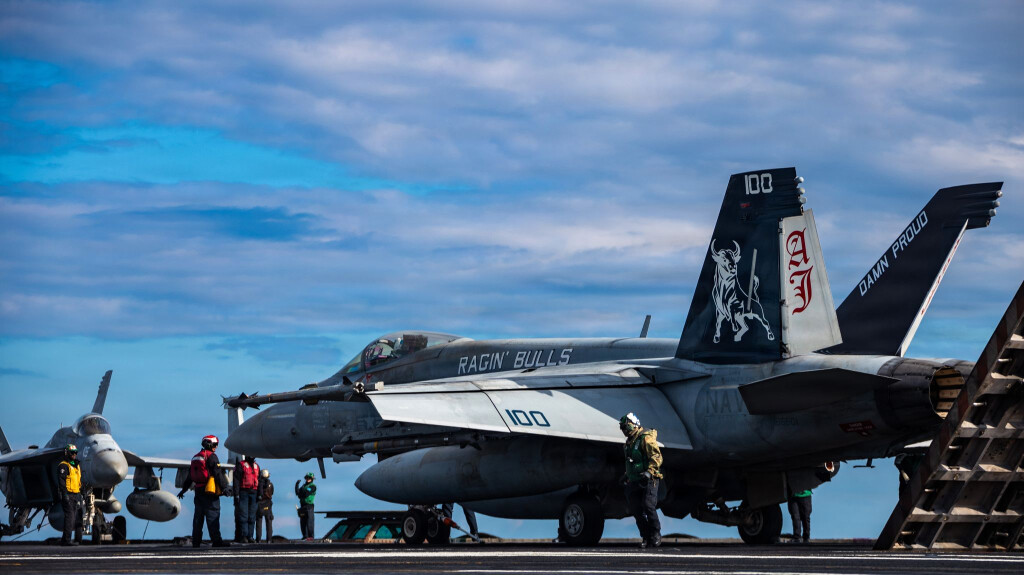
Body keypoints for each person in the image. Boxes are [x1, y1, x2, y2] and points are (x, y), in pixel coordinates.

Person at [177, 434, 232, 548]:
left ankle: (196, 542)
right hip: (209, 490)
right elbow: (217, 474)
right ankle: (216, 541)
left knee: (198, 517)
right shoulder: (211, 457)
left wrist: (183, 490)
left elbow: (190, 477)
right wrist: (224, 488)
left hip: (198, 490)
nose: (216, 447)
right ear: (210, 444)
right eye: (215, 444)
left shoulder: (195, 457)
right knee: (213, 515)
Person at [619, 412, 663, 549]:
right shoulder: (628, 444)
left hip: (650, 478)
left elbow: (656, 456)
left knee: (648, 505)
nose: (625, 430)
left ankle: (655, 534)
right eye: (623, 428)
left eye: (626, 427)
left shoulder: (645, 439)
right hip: (635, 479)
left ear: (634, 425)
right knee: (635, 509)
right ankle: (646, 536)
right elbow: (632, 462)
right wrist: (627, 475)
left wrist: (650, 472)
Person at [55, 444, 84, 546]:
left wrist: (80, 494)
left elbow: (78, 481)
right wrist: (64, 494)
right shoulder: (63, 466)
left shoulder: (76, 466)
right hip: (68, 495)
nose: (74, 454)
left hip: (76, 495)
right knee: (70, 517)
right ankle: (66, 540)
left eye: (75, 452)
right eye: (72, 452)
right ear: (67, 453)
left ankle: (65, 539)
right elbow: (61, 482)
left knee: (73, 517)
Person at [233, 455, 260, 543]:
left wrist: (260, 493)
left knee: (252, 516)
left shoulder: (257, 466)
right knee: (243, 515)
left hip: (254, 493)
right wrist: (236, 494)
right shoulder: (241, 465)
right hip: (243, 492)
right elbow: (236, 480)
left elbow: (259, 480)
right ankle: (244, 536)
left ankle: (250, 536)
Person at [295, 472, 316, 540]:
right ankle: (305, 536)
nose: (308, 479)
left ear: (312, 479)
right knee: (303, 522)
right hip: (303, 506)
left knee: (309, 521)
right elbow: (298, 493)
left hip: (309, 506)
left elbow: (306, 494)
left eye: (309, 478)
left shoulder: (312, 486)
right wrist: (296, 485)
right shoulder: (303, 486)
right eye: (307, 478)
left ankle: (310, 536)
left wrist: (301, 494)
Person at [256, 468, 274, 543]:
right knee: (269, 522)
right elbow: (272, 492)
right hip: (268, 504)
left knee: (258, 522)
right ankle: (269, 539)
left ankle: (258, 539)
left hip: (260, 504)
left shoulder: (258, 483)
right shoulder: (270, 484)